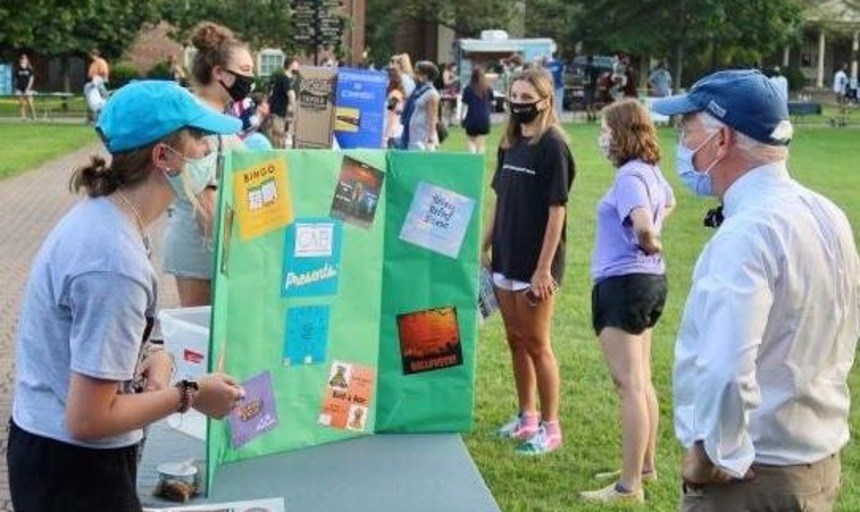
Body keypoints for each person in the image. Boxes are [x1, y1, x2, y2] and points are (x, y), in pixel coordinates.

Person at [7, 80, 246, 512]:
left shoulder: (113, 218)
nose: (209, 153)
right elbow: (89, 419)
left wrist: (155, 354)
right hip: (73, 471)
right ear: (163, 157)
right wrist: (190, 393)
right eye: (199, 139)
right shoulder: (114, 260)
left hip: (58, 454)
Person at [651, 69, 860, 511]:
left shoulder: (747, 233)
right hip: (816, 462)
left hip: (751, 477)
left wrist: (710, 456)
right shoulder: (828, 214)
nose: (683, 146)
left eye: (687, 130)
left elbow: (726, 367)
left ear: (721, 140)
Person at [579, 98, 674, 504]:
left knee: (629, 385)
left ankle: (627, 487)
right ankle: (644, 467)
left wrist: (649, 239)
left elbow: (643, 225)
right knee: (642, 379)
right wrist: (655, 233)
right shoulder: (652, 173)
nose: (603, 138)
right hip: (649, 284)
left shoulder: (630, 178)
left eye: (606, 129)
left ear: (622, 132)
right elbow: (669, 202)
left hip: (625, 284)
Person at [481, 67, 575, 455]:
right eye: (513, 97)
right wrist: (483, 246)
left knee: (538, 344)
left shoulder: (554, 146)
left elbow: (557, 212)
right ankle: (527, 416)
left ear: (545, 100)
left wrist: (543, 268)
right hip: (505, 258)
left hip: (536, 266)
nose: (518, 104)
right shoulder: (509, 143)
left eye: (525, 98)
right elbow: (500, 200)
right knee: (515, 340)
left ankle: (551, 428)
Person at [163, 22, 255, 307]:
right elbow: (206, 201)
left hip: (211, 244)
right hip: (202, 247)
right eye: (245, 70)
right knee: (201, 339)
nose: (251, 79)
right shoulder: (199, 121)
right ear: (219, 73)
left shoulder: (217, 118)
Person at [400, 61, 441, 151]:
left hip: (422, 136)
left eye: (416, 72)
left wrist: (431, 138)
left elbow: (433, 118)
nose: (413, 75)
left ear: (424, 76)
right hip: (411, 134)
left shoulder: (432, 94)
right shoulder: (417, 91)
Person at [459, 65, 493, 153]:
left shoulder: (468, 88)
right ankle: (480, 161)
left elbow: (463, 105)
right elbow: (492, 103)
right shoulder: (488, 88)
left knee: (471, 141)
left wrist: (461, 118)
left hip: (471, 118)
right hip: (484, 118)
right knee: (481, 144)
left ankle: (473, 158)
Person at [268, 57, 298, 149]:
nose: (298, 67)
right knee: (278, 140)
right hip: (278, 113)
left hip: (278, 112)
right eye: (297, 64)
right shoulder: (284, 78)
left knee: (280, 138)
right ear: (291, 65)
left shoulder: (284, 78)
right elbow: (291, 95)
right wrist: (296, 111)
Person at [85, 49, 111, 124]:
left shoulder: (101, 62)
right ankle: (92, 118)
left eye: (91, 55)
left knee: (102, 101)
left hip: (100, 82)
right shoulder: (93, 63)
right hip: (94, 82)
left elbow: (103, 73)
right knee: (91, 100)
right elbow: (90, 74)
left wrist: (96, 80)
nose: (90, 57)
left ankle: (100, 118)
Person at [384, 66, 406, 148]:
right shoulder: (397, 93)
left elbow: (391, 115)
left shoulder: (394, 94)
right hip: (395, 131)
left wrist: (386, 136)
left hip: (392, 133)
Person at [14, 54, 36, 121]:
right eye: (22, 58)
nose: (23, 60)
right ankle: (23, 117)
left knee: (30, 103)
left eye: (25, 58)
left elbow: (31, 79)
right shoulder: (17, 69)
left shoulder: (29, 68)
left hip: (27, 88)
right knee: (21, 103)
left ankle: (34, 117)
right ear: (20, 60)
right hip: (19, 88)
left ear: (27, 60)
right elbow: (16, 79)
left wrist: (28, 88)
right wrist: (16, 88)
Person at [582, 55, 601, 122]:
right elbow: (598, 79)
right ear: (593, 60)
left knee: (588, 102)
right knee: (593, 102)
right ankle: (594, 115)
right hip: (594, 86)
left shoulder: (585, 68)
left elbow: (584, 78)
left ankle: (588, 115)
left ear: (587, 60)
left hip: (587, 87)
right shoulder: (595, 68)